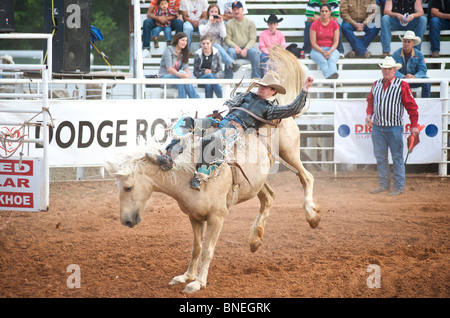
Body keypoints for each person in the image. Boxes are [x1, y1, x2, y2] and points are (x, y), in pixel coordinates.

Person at [148, 74, 315, 190]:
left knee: (214, 139)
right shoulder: (246, 96)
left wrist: (305, 89)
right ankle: (169, 157)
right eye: (261, 85)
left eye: (266, 87)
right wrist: (222, 111)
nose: (262, 88)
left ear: (273, 92)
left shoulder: (270, 110)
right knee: (186, 122)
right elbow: (229, 103)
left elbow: (293, 108)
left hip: (236, 128)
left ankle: (200, 175)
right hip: (220, 121)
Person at [365, 56, 419, 196]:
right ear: (382, 70)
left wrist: (414, 125)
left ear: (394, 70)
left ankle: (398, 186)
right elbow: (370, 101)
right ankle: (384, 184)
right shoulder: (376, 84)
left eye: (389, 69)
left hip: (394, 127)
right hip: (378, 126)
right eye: (384, 68)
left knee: (397, 157)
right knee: (381, 157)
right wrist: (369, 114)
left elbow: (412, 107)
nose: (386, 71)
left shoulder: (402, 85)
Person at [199, 4, 241, 73]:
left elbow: (223, 35)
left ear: (218, 13)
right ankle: (231, 64)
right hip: (205, 46)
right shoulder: (203, 22)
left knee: (216, 45)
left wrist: (221, 23)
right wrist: (209, 22)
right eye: (212, 11)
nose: (214, 13)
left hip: (218, 49)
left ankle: (231, 66)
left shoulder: (220, 23)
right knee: (214, 44)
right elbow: (202, 33)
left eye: (216, 12)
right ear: (208, 12)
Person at [224, 1, 260, 79]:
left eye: (238, 9)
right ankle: (228, 79)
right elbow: (227, 39)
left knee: (255, 52)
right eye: (234, 9)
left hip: (247, 49)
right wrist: (235, 46)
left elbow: (253, 38)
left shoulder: (250, 23)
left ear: (242, 9)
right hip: (235, 49)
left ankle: (256, 79)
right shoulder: (229, 24)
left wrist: (246, 49)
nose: (236, 11)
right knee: (229, 52)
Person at [158, 32, 200, 98]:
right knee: (182, 76)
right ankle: (196, 99)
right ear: (177, 40)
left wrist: (188, 75)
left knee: (182, 82)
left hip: (178, 79)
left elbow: (186, 68)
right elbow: (169, 68)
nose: (184, 42)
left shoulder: (184, 52)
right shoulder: (168, 50)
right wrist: (179, 74)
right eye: (182, 40)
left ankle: (182, 104)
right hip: (164, 78)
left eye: (186, 41)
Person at [392, 31, 430, 98]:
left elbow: (423, 70)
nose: (406, 44)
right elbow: (392, 70)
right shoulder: (396, 54)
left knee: (427, 81)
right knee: (391, 81)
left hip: (414, 81)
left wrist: (414, 77)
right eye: (404, 41)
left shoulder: (419, 54)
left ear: (413, 44)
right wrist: (403, 77)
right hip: (400, 81)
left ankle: (426, 103)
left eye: (408, 42)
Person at [310, 4, 340, 79]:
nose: (324, 13)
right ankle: (334, 82)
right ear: (320, 12)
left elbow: (336, 41)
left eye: (326, 11)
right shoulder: (314, 24)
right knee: (323, 62)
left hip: (331, 49)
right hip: (317, 50)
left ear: (330, 12)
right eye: (322, 11)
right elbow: (313, 42)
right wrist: (322, 52)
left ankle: (331, 81)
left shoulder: (334, 24)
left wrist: (330, 51)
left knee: (332, 60)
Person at [193, 34, 224, 98]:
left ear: (211, 44)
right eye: (203, 44)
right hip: (201, 80)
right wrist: (204, 72)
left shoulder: (216, 53)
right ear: (201, 44)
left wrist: (213, 76)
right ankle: (222, 99)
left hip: (214, 80)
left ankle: (209, 105)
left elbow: (221, 71)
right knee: (209, 76)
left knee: (209, 83)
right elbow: (195, 72)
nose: (205, 46)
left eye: (207, 43)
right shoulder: (198, 54)